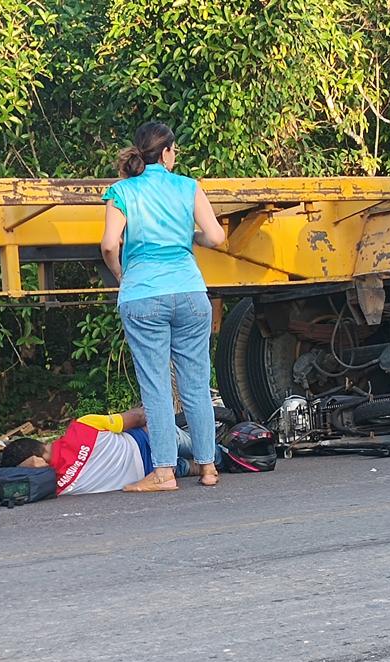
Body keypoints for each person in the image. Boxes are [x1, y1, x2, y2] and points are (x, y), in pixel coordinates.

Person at [99, 121, 226, 491]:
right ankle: (208, 467)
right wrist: (190, 236)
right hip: (189, 292)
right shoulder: (189, 187)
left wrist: (121, 273)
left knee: (155, 384)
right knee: (197, 385)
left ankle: (165, 472)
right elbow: (216, 236)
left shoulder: (122, 191)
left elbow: (109, 244)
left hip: (143, 295)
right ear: (167, 152)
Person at [0, 408, 211, 494]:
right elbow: (138, 416)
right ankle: (216, 455)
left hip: (154, 472)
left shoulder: (57, 488)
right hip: (153, 442)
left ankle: (202, 464)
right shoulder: (82, 427)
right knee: (203, 449)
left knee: (186, 465)